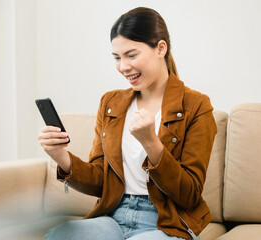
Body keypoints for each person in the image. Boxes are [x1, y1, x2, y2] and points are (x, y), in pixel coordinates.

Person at [38, 7, 217, 240]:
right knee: (59, 235)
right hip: (113, 216)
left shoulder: (196, 105)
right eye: (117, 57)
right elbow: (99, 181)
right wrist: (60, 156)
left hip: (165, 222)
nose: (123, 67)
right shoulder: (111, 103)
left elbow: (189, 194)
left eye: (131, 55)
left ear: (160, 48)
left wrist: (151, 142)